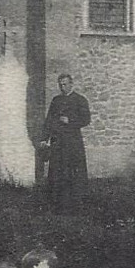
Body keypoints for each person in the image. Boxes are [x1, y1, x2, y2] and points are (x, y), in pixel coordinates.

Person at [41, 74, 91, 212]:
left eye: (65, 84)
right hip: (58, 142)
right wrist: (44, 138)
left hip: (73, 142)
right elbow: (49, 121)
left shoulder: (80, 100)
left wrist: (70, 120)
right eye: (60, 85)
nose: (62, 87)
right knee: (57, 171)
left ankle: (75, 203)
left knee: (73, 171)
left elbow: (86, 119)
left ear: (71, 84)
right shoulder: (56, 100)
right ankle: (57, 203)